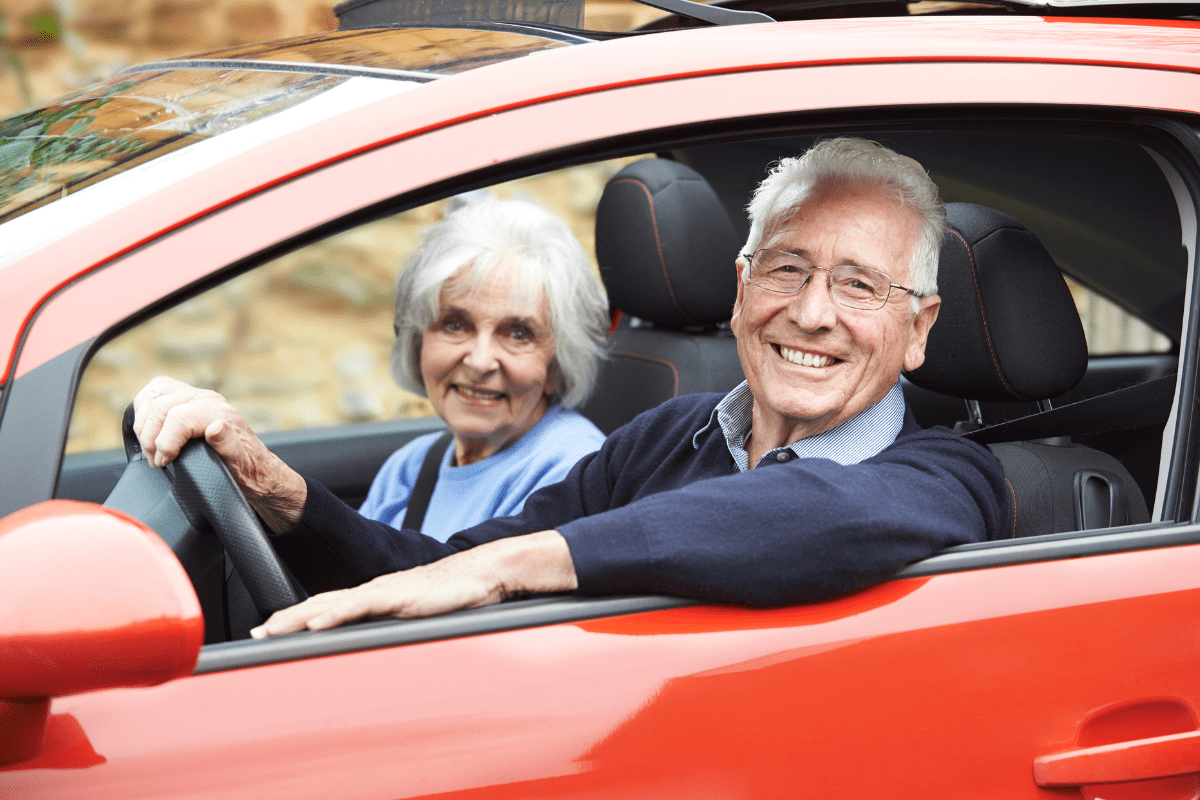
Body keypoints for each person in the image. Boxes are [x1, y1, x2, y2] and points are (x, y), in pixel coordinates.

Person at [135, 137, 1008, 638]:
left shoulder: (948, 478)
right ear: (742, 292)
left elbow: (812, 511)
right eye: (787, 269)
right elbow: (444, 572)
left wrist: (520, 568)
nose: (813, 313)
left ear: (920, 328)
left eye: (859, 285)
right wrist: (278, 492)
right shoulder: (670, 436)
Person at [133, 196, 608, 548]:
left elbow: (457, 599)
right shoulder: (415, 464)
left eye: (517, 333)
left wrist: (274, 485)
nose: (481, 361)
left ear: (556, 362)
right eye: (455, 324)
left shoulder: (572, 470)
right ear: (419, 338)